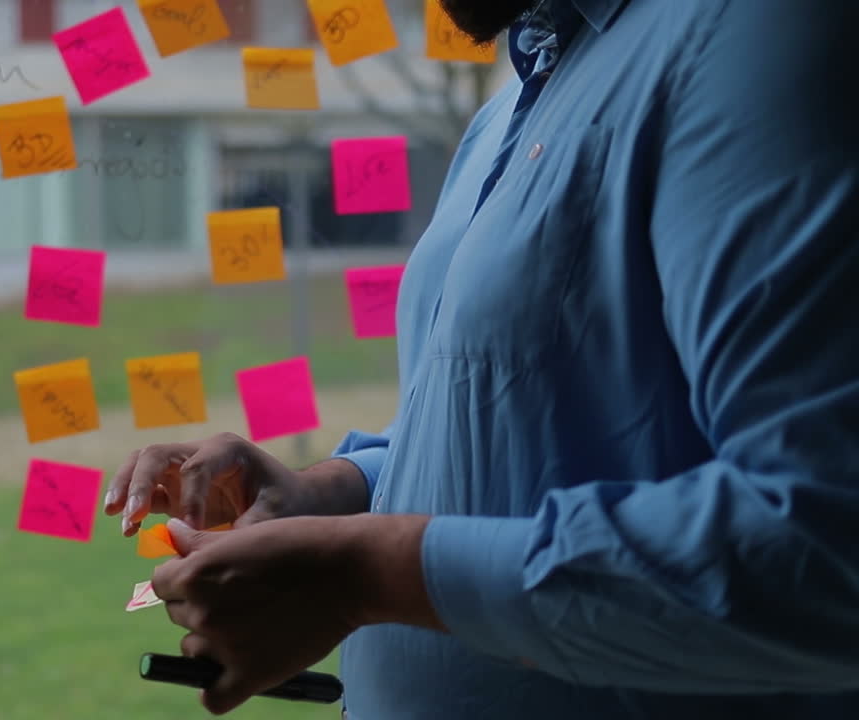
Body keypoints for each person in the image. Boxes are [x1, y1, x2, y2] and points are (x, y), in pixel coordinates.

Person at [103, 0, 859, 716]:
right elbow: (510, 424)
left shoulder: (751, 35)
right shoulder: (517, 97)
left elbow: (823, 544)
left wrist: (368, 572)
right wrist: (330, 493)